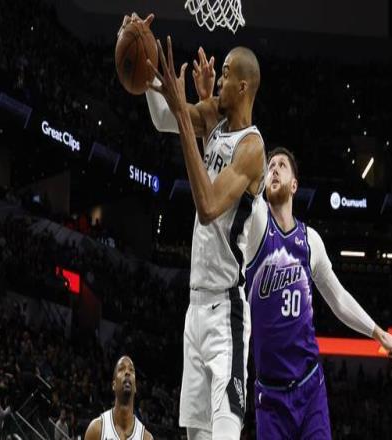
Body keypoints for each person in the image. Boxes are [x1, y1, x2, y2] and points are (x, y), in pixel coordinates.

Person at [118, 13, 266, 440]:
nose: (218, 79)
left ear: (244, 87)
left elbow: (208, 206)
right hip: (194, 308)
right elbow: (166, 118)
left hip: (226, 313)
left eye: (226, 74)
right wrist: (149, 71)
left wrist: (186, 115)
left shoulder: (252, 147)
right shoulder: (215, 121)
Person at [245, 147, 392, 439]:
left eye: (282, 165)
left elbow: (338, 298)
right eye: (270, 166)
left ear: (294, 185)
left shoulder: (310, 241)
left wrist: (378, 333)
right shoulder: (257, 227)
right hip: (270, 396)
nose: (274, 169)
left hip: (310, 388)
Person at [84, 356, 153, 440]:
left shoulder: (146, 437)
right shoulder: (96, 429)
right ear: (114, 385)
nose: (127, 372)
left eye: (131, 370)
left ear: (135, 387)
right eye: (121, 369)